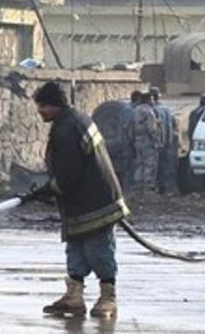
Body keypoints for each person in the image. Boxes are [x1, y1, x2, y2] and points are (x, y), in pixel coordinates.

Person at [19, 81, 129, 319]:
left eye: (42, 107)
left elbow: (70, 173)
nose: (40, 112)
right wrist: (49, 189)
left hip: (97, 202)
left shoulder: (67, 129)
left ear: (54, 105)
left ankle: (108, 297)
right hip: (81, 202)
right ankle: (74, 297)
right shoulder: (74, 121)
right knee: (76, 248)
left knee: (99, 249)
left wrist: (49, 189)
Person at [150, 86, 179, 195]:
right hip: (167, 142)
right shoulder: (167, 109)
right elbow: (173, 126)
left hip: (156, 143)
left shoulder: (152, 110)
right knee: (163, 167)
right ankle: (163, 188)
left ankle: (155, 188)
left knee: (153, 167)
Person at [132, 90, 161, 193]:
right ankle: (148, 188)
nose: (153, 102)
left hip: (137, 141)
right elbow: (151, 129)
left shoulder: (135, 111)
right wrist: (157, 142)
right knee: (150, 165)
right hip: (148, 143)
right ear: (148, 100)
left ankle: (138, 188)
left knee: (139, 165)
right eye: (152, 100)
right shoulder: (149, 112)